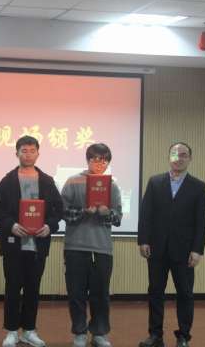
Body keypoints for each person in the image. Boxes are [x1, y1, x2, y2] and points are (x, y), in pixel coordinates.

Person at [137, 142, 205, 347]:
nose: (179, 158)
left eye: (183, 155)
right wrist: (143, 240)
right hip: (157, 248)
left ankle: (183, 336)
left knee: (185, 294)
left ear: (190, 159)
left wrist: (197, 250)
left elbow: (202, 222)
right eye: (175, 154)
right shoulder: (155, 182)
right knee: (155, 292)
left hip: (185, 251)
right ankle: (155, 335)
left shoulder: (198, 187)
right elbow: (146, 214)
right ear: (169, 157)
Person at [0, 136, 63, 347]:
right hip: (13, 245)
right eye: (24, 151)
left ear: (38, 153)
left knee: (33, 289)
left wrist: (49, 226)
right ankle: (12, 331)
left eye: (32, 151)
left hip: (38, 245)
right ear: (16, 153)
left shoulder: (47, 181)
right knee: (12, 288)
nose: (28, 154)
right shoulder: (7, 181)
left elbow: (58, 211)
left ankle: (29, 330)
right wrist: (11, 225)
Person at [61, 143, 123, 347]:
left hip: (102, 248)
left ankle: (99, 333)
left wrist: (107, 213)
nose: (99, 163)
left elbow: (118, 217)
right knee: (76, 293)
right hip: (75, 246)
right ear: (88, 160)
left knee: (101, 294)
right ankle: (79, 332)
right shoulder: (73, 181)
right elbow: (63, 212)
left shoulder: (112, 185)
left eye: (104, 160)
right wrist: (83, 212)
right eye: (95, 159)